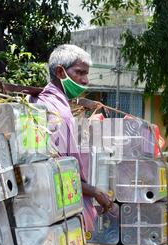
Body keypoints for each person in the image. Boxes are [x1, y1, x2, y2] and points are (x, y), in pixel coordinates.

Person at [30, 44, 114, 231]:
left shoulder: (47, 102)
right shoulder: (56, 109)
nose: (85, 80)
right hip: (59, 207)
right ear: (60, 72)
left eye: (86, 74)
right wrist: (94, 191)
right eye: (80, 73)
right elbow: (57, 167)